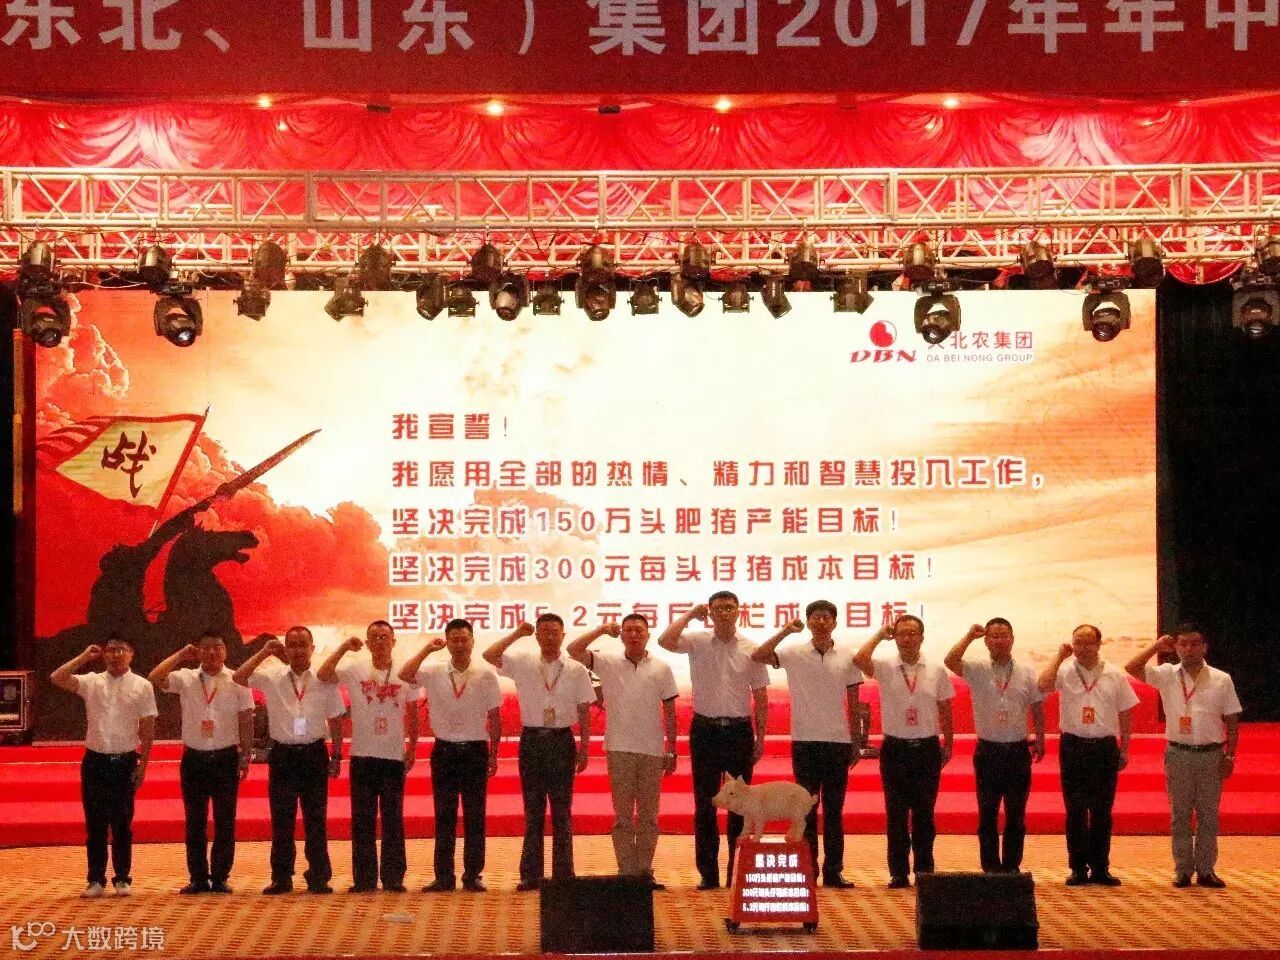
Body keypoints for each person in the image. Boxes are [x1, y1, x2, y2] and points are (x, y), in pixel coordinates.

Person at [658, 591, 769, 890]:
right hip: (705, 731)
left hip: (739, 732)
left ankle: (737, 870)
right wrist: (689, 615)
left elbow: (760, 696)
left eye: (729, 608)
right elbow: (665, 641)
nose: (724, 613)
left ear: (738, 611)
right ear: (710, 611)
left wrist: (760, 737)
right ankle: (708, 873)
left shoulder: (752, 648)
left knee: (740, 803)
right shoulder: (697, 641)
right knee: (705, 802)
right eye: (718, 608)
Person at [751, 601, 863, 887]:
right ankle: (808, 868)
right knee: (805, 809)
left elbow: (854, 702)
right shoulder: (793, 652)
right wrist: (786, 631)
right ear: (808, 622)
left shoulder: (848, 656)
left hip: (838, 741)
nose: (821, 622)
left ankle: (834, 871)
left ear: (835, 622)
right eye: (816, 617)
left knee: (835, 810)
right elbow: (759, 655)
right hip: (804, 741)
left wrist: (855, 740)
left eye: (827, 617)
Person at [1124, 623, 1241, 888]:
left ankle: (1206, 870)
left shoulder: (1221, 679)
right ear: (1175, 647)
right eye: (1183, 644)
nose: (1189, 649)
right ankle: (1183, 870)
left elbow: (1233, 721)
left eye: (1195, 643)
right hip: (1178, 753)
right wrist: (1156, 646)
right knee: (1180, 815)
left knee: (1209, 815)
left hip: (1212, 754)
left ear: (1205, 647)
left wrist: (1230, 756)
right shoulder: (1166, 674)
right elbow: (1131, 667)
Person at [482, 614, 594, 891]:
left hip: (562, 741)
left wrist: (584, 748)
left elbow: (584, 711)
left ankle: (564, 875)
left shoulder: (576, 669)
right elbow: (489, 654)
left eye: (555, 632)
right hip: (532, 740)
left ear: (563, 635)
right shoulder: (523, 662)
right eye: (544, 632)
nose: (550, 637)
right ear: (537, 636)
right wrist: (516, 634)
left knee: (562, 810)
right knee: (533, 810)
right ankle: (531, 875)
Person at [568, 614, 678, 889]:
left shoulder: (662, 668)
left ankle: (644, 872)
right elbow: (573, 650)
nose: (634, 635)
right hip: (619, 748)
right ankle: (626, 872)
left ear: (648, 635)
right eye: (628, 630)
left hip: (652, 750)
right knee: (623, 816)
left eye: (639, 630)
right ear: (621, 635)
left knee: (649, 816)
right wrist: (601, 629)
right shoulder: (607, 662)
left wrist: (672, 748)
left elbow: (670, 710)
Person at [233, 627, 345, 895]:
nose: (297, 650)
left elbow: (336, 718)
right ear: (285, 649)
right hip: (283, 755)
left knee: (316, 818)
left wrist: (337, 754)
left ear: (312, 648)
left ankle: (319, 876)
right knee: (282, 819)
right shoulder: (272, 676)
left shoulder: (324, 678)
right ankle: (281, 877)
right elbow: (239, 676)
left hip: (314, 754)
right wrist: (263, 652)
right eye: (291, 645)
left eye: (302, 645)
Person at [399, 618, 503, 893]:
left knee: (474, 815)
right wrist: (426, 649)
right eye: (454, 639)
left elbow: (495, 716)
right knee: (444, 814)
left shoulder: (486, 675)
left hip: (475, 750)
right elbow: (404, 674)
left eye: (464, 639)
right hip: (444, 750)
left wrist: (494, 753)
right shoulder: (433, 670)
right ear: (447, 643)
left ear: (472, 641)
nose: (459, 644)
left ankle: (472, 875)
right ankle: (443, 876)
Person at [317, 620, 419, 893]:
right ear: (367, 642)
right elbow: (324, 674)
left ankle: (393, 877)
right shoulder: (355, 668)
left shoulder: (405, 671)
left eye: (385, 637)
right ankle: (364, 879)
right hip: (362, 755)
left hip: (393, 755)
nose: (380, 642)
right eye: (374, 637)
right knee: (362, 819)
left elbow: (413, 713)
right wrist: (343, 648)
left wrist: (412, 747)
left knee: (393, 819)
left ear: (394, 641)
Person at [51, 637, 157, 898]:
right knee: (95, 824)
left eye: (121, 650)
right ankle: (95, 879)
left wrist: (143, 765)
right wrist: (84, 657)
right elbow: (57, 677)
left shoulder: (142, 685)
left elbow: (148, 729)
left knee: (122, 824)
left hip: (125, 761)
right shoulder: (92, 682)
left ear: (131, 654)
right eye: (110, 650)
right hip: (95, 762)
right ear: (103, 654)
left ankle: (122, 878)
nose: (116, 655)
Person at [149, 631, 254, 894]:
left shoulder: (238, 679)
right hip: (194, 758)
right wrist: (180, 655)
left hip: (226, 758)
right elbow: (155, 677)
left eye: (218, 647)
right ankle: (198, 877)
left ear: (225, 651)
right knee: (195, 821)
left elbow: (246, 719)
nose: (212, 652)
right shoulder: (185, 677)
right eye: (206, 647)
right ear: (198, 651)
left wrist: (245, 755)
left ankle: (220, 877)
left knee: (225, 821)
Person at [853, 616, 954, 889]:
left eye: (912, 633)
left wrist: (949, 743)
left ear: (922, 637)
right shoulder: (885, 666)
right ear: (895, 637)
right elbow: (860, 660)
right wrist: (879, 635)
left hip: (927, 748)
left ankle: (924, 869)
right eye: (901, 634)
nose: (907, 638)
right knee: (896, 813)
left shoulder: (936, 669)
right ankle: (898, 872)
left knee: (924, 814)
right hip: (895, 749)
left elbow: (945, 707)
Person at [1037, 624, 1138, 886]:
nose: (1082, 648)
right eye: (1077, 642)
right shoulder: (1064, 671)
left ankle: (1101, 867)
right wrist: (1059, 656)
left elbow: (1126, 712)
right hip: (1073, 746)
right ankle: (1078, 868)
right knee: (1075, 810)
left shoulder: (1114, 674)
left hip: (1105, 747)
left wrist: (1124, 748)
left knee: (1103, 810)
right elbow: (1042, 685)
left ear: (1098, 644)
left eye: (1088, 642)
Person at [944, 619, 1046, 874]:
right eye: (994, 636)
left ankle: (1011, 868)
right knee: (987, 814)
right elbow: (950, 660)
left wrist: (1041, 738)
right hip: (988, 751)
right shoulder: (976, 668)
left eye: (1004, 635)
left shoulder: (1027, 671)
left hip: (1018, 751)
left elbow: (1037, 705)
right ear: (986, 641)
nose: (1000, 640)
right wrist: (969, 636)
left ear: (1012, 639)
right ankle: (990, 868)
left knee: (1016, 814)